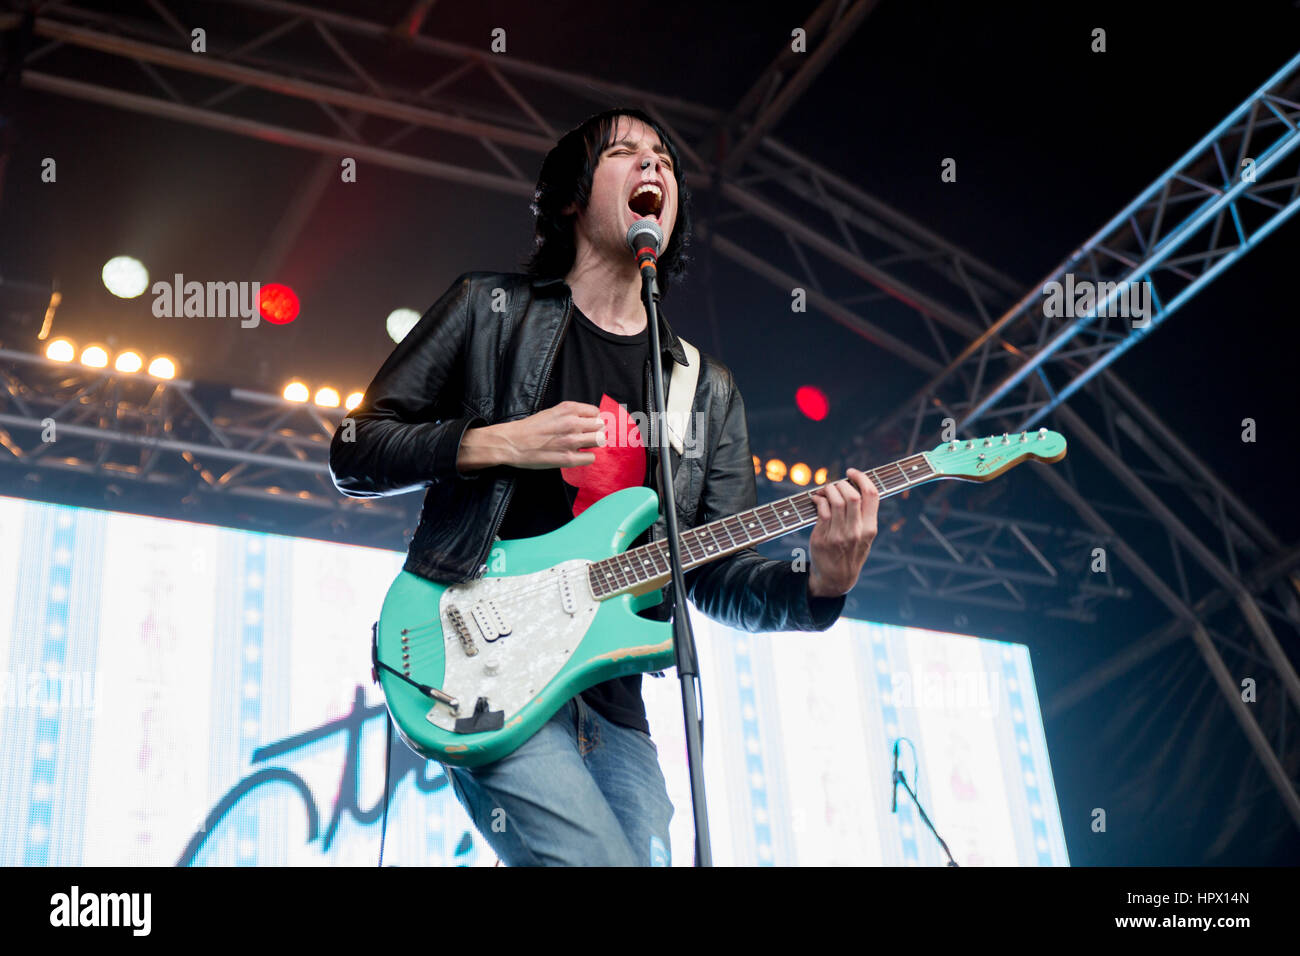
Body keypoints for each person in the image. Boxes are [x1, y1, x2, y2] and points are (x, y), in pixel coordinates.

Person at [329, 107, 879, 866]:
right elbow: (356, 448)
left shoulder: (705, 390)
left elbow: (713, 572)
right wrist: (494, 442)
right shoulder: (488, 312)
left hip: (617, 704)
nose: (653, 167)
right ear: (569, 200)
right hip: (483, 664)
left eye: (665, 159)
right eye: (625, 153)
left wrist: (818, 582)